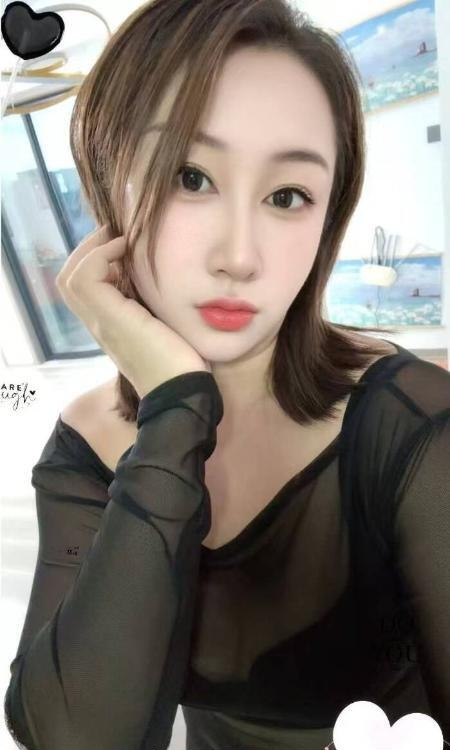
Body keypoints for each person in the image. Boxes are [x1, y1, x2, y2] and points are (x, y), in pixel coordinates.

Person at [4, 1, 450, 749]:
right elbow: (75, 735)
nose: (239, 257)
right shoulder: (85, 440)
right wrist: (176, 408)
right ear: (108, 190)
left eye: (287, 196)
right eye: (190, 177)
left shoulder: (415, 423)